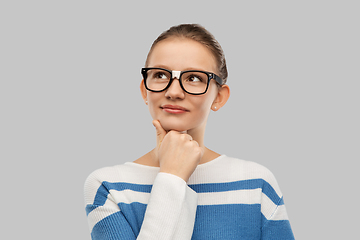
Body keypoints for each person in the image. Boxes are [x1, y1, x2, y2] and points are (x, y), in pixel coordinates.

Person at [84, 23, 295, 240]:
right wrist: (172, 177)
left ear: (219, 97)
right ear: (144, 89)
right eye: (160, 75)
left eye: (194, 78)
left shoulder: (256, 184)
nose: (174, 92)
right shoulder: (108, 187)